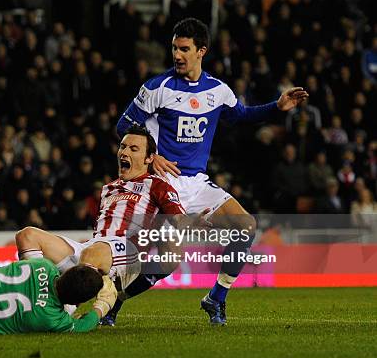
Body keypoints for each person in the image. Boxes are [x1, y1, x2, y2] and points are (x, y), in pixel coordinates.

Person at [116, 18, 309, 324]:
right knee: (168, 263)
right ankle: (114, 301)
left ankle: (215, 298)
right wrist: (152, 157)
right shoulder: (158, 88)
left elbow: (241, 116)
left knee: (245, 226)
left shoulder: (217, 91)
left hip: (198, 184)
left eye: (184, 49)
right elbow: (124, 126)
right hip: (163, 183)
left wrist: (277, 106)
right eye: (174, 49)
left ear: (201, 51)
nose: (177, 55)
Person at [15, 126, 206, 323]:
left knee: (94, 253)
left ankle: (62, 314)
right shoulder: (109, 188)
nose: (124, 152)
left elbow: (176, 217)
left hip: (129, 251)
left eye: (133, 149)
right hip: (95, 249)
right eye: (123, 147)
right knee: (27, 235)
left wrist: (191, 222)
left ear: (149, 159)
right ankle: (33, 299)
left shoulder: (157, 185)